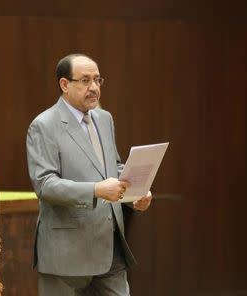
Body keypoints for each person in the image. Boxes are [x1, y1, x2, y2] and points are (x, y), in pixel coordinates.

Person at [26, 53, 152, 296]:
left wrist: (135, 193)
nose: (93, 87)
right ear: (64, 85)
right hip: (66, 255)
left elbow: (112, 168)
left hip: (109, 248)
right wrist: (96, 190)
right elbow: (45, 185)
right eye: (85, 81)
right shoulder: (43, 125)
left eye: (97, 80)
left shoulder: (104, 119)